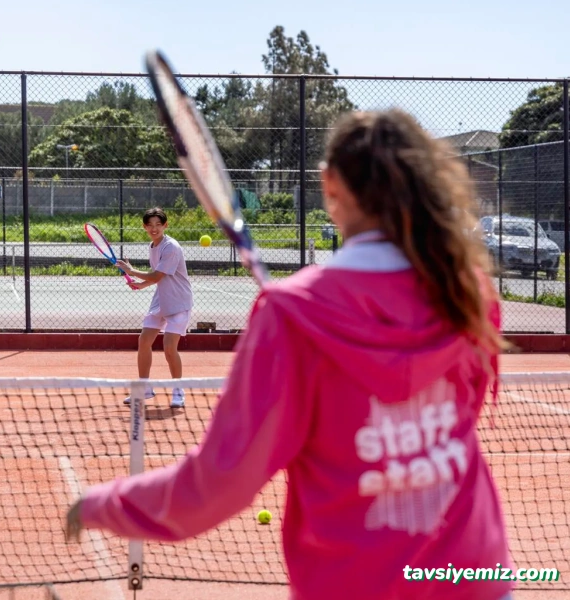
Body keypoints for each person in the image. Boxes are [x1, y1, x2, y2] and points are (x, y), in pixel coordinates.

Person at [66, 110, 513, 600]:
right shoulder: (469, 290)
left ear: (329, 185)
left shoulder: (289, 317)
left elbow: (214, 487)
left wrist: (101, 504)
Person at [115, 206, 193, 408]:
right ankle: (144, 389)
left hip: (179, 302)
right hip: (161, 300)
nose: (154, 228)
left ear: (165, 225)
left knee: (169, 348)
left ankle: (178, 391)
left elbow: (157, 275)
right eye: (150, 225)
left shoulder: (171, 247)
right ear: (144, 227)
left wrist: (132, 271)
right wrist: (142, 284)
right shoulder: (153, 246)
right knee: (144, 342)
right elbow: (158, 277)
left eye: (158, 224)